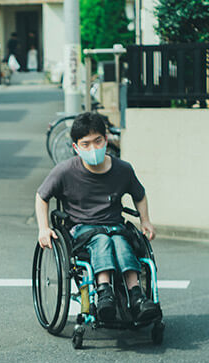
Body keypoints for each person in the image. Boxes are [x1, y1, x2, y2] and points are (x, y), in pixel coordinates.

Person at [34, 111, 160, 324]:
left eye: (97, 141)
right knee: (102, 241)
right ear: (76, 147)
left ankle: (136, 295)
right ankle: (104, 293)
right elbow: (42, 196)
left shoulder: (123, 169)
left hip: (114, 226)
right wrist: (44, 228)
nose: (93, 148)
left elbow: (139, 195)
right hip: (83, 228)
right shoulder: (65, 171)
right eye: (86, 144)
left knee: (121, 242)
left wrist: (145, 220)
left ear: (106, 139)